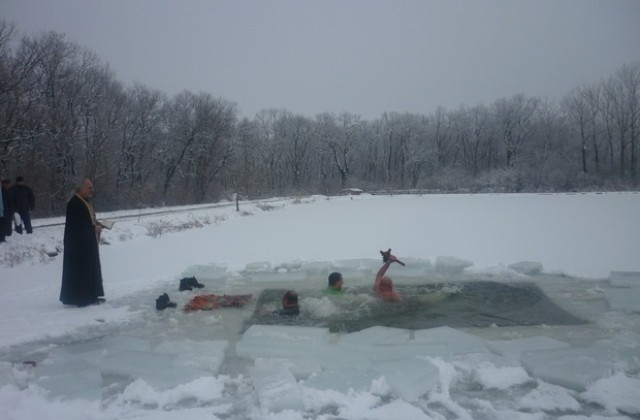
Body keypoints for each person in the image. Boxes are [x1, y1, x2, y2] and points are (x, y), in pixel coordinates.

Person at [59, 178, 105, 307]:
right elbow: (78, 226)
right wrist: (93, 228)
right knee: (81, 270)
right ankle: (82, 298)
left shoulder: (85, 201)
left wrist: (96, 224)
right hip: (78, 245)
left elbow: (87, 221)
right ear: (80, 188)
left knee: (90, 269)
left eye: (92, 187)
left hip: (87, 242)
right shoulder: (74, 203)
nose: (92, 190)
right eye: (89, 187)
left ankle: (92, 295)